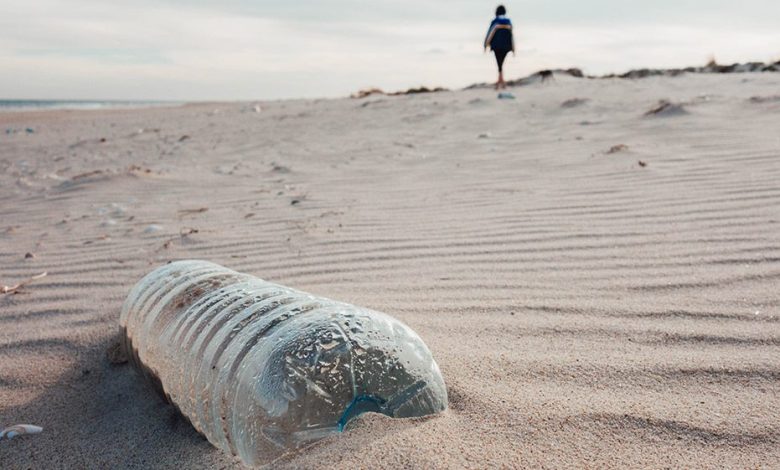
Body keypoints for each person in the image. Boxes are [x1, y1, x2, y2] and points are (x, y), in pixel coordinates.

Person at [484, 5, 515, 90]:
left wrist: (485, 44)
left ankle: (500, 82)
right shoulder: (508, 22)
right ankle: (501, 82)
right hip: (506, 46)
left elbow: (489, 33)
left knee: (499, 63)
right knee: (501, 64)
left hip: (496, 46)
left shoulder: (495, 22)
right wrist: (513, 48)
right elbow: (511, 36)